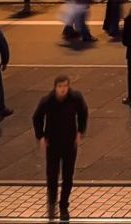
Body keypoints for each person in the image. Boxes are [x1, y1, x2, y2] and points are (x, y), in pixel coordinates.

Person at [32, 74, 88, 220]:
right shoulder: (48, 101)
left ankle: (64, 205)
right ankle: (52, 200)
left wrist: (80, 131)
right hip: (53, 143)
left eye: (65, 86)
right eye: (60, 87)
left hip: (69, 143)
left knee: (68, 176)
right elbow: (37, 117)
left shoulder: (75, 98)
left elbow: (83, 112)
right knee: (52, 175)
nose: (63, 90)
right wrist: (41, 137)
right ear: (55, 87)